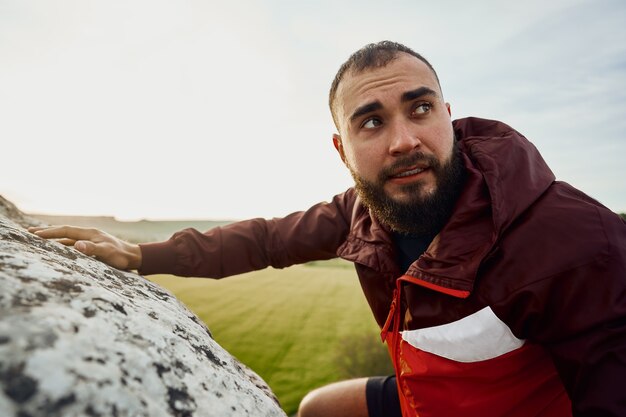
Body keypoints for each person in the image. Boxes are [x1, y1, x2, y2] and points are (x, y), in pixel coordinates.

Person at [30, 41, 626, 417]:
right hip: (427, 399)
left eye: (420, 108)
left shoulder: (569, 239)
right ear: (342, 149)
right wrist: (138, 253)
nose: (403, 140)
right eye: (372, 121)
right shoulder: (361, 211)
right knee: (319, 408)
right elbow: (264, 239)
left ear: (449, 113)